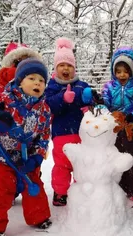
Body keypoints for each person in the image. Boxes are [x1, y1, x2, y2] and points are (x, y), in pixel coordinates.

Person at [0, 57, 52, 236]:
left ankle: (39, 216)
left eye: (42, 80)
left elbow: (44, 134)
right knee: (1, 191)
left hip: (26, 155)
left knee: (34, 184)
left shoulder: (44, 109)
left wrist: (37, 156)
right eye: (32, 78)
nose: (37, 82)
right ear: (20, 81)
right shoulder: (5, 100)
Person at [45, 37, 94, 206]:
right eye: (61, 65)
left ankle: (79, 190)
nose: (66, 68)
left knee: (81, 164)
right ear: (56, 68)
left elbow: (90, 103)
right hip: (61, 134)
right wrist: (62, 98)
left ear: (74, 68)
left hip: (81, 134)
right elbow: (49, 105)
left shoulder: (81, 85)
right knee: (62, 166)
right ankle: (60, 192)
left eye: (69, 65)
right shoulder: (52, 86)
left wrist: (89, 104)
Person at [102, 46, 133, 201]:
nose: (122, 74)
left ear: (132, 71)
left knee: (132, 156)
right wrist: (103, 106)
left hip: (131, 128)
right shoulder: (109, 87)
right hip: (114, 129)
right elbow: (105, 103)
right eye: (118, 71)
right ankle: (119, 186)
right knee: (116, 156)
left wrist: (132, 116)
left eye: (126, 71)